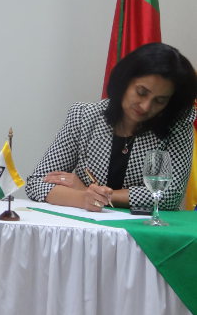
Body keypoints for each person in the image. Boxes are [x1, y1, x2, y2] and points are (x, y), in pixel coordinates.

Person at [26, 42, 197, 212]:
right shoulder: (84, 116)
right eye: (141, 92)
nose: (145, 106)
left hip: (144, 232)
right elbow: (36, 183)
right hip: (86, 229)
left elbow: (169, 196)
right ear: (125, 81)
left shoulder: (177, 127)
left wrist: (93, 193)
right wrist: (84, 198)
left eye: (159, 101)